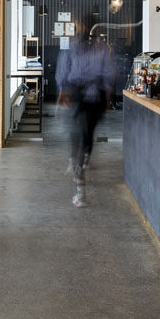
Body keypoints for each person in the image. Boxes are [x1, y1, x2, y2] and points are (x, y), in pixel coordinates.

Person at [56, 16, 116, 208]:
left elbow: (63, 71)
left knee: (77, 137)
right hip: (94, 97)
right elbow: (110, 73)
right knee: (87, 132)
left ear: (80, 26)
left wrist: (63, 91)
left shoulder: (72, 46)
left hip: (76, 95)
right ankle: (82, 162)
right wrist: (107, 95)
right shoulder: (102, 47)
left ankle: (80, 186)